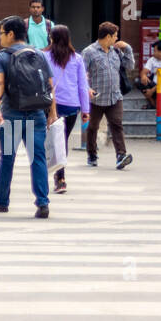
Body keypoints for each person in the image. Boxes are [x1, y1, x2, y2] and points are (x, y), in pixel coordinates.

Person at [0, 15, 56, 218]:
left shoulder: (1, 56)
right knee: (38, 159)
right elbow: (50, 86)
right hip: (36, 114)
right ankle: (43, 203)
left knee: (7, 158)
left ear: (10, 34)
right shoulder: (39, 54)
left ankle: (1, 201)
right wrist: (52, 113)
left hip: (12, 114)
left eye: (1, 33)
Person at [80, 22, 136, 170]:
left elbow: (130, 66)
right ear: (108, 37)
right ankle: (92, 154)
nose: (117, 39)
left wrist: (128, 48)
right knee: (93, 127)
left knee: (117, 125)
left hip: (115, 97)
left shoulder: (116, 51)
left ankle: (121, 156)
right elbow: (80, 74)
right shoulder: (89, 52)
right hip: (96, 98)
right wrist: (87, 88)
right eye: (115, 36)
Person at [44, 25, 90, 196]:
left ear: (52, 38)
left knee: (49, 140)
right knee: (62, 140)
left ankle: (50, 175)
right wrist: (86, 110)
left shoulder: (44, 56)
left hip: (49, 104)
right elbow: (82, 85)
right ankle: (60, 178)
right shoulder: (76, 58)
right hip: (71, 105)